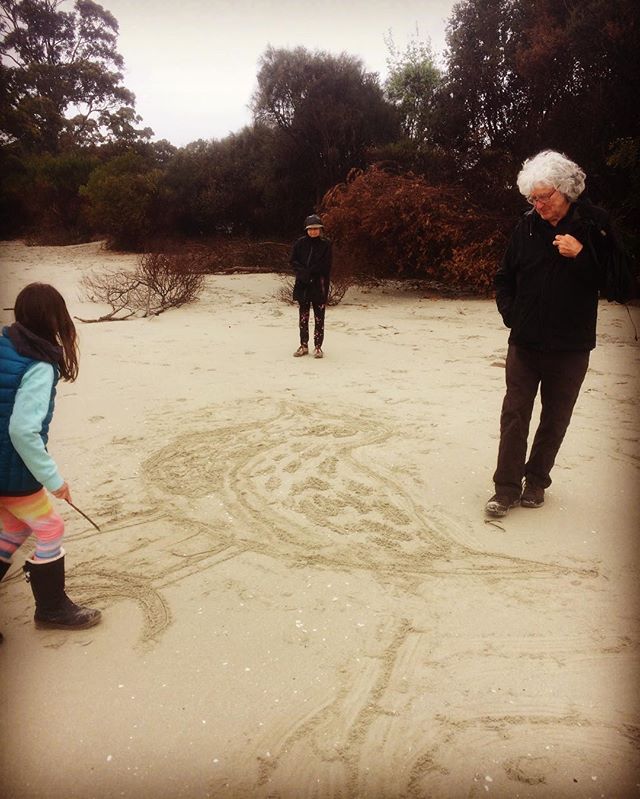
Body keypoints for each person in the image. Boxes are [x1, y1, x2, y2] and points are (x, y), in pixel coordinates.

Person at [486, 150, 615, 517]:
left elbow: (619, 283)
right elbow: (503, 278)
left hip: (571, 346)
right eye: (533, 197)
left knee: (555, 417)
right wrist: (512, 315)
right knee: (514, 414)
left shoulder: (593, 226)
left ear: (566, 191)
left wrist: (582, 255)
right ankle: (506, 488)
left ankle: (537, 481)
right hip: (525, 343)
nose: (539, 204)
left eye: (546, 197)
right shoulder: (525, 227)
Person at [0, 283, 101, 639]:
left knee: (13, 528)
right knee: (49, 529)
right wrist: (54, 480)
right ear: (54, 318)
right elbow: (23, 432)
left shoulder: (5, 344)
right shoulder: (39, 365)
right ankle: (52, 609)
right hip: (12, 470)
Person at [290, 214, 332, 359]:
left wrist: (311, 273)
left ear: (320, 229)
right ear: (306, 230)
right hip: (303, 285)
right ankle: (303, 345)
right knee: (303, 316)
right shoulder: (300, 243)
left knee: (319, 317)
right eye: (310, 229)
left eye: (316, 229)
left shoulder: (326, 244)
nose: (313, 231)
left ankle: (318, 346)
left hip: (319, 285)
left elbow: (325, 265)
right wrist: (303, 274)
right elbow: (293, 261)